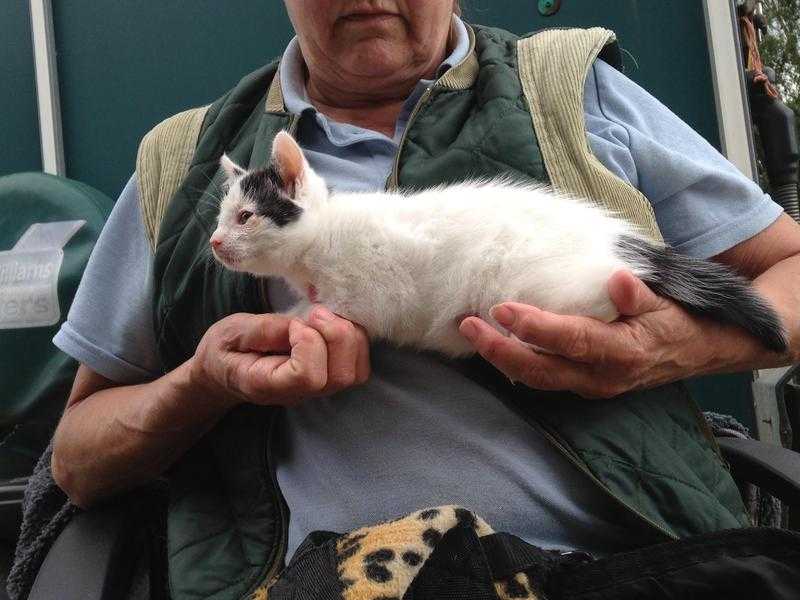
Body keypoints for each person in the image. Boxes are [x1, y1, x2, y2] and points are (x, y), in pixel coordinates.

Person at [49, 0, 800, 596]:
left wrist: (672, 347)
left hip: (626, 565)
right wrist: (205, 384)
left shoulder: (570, 88)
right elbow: (77, 460)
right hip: (330, 578)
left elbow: (789, 269)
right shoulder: (181, 161)